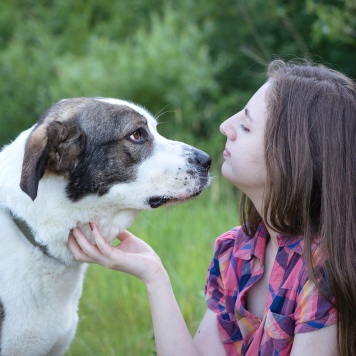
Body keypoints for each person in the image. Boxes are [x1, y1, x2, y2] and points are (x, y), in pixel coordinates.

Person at [68, 59, 356, 356]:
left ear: (292, 156)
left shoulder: (326, 266)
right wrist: (154, 275)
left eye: (245, 125)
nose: (225, 126)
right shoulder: (236, 252)